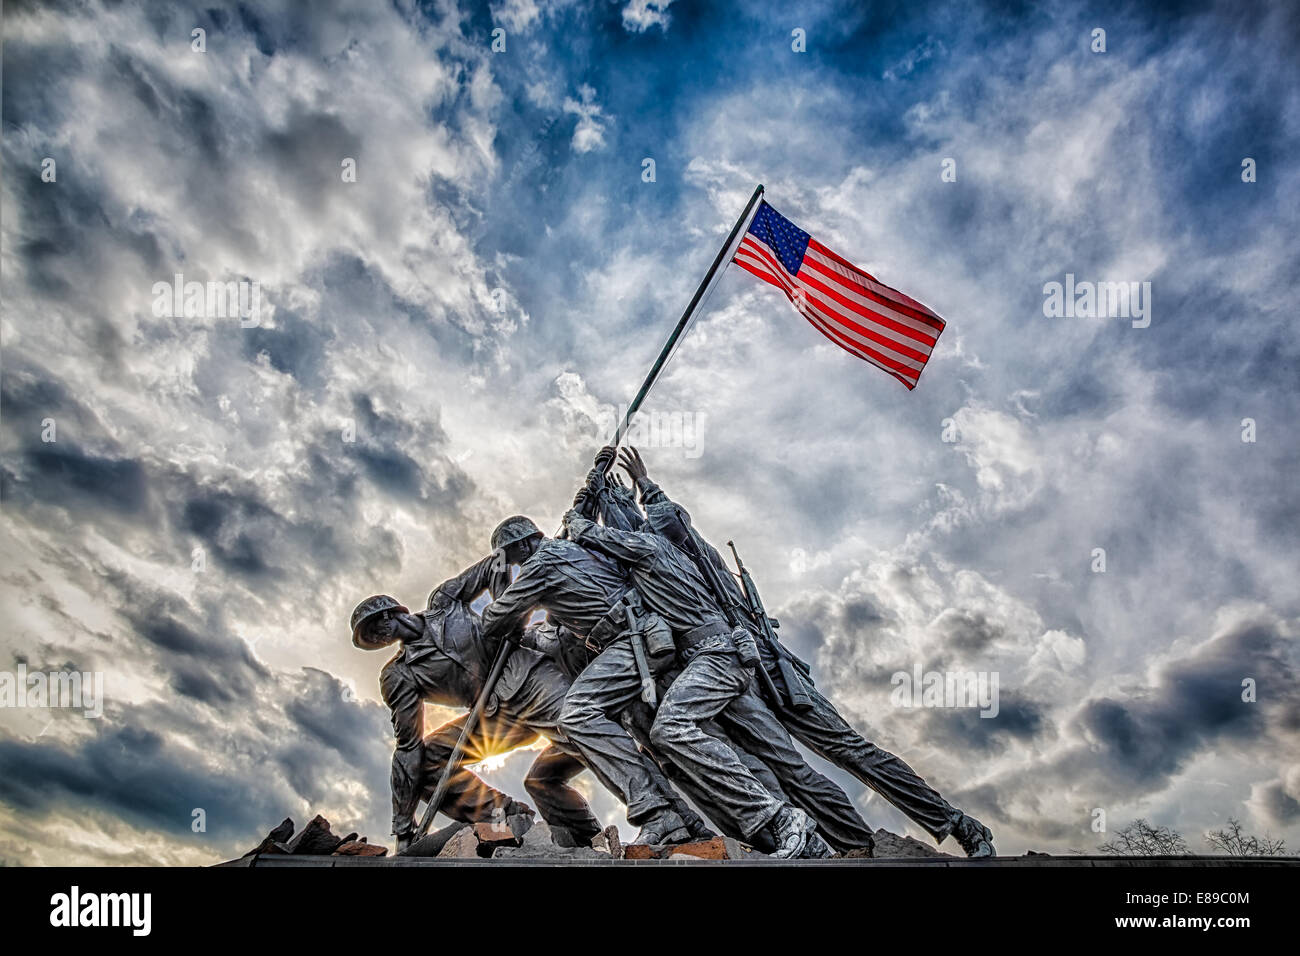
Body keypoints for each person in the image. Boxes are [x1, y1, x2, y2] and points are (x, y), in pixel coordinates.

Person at [616, 445, 997, 858]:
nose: (652, 531)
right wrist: (605, 499)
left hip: (773, 668)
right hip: (739, 673)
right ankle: (856, 848)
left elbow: (670, 522)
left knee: (851, 750)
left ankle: (956, 822)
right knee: (792, 774)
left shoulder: (695, 552)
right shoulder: (663, 570)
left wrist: (646, 487)